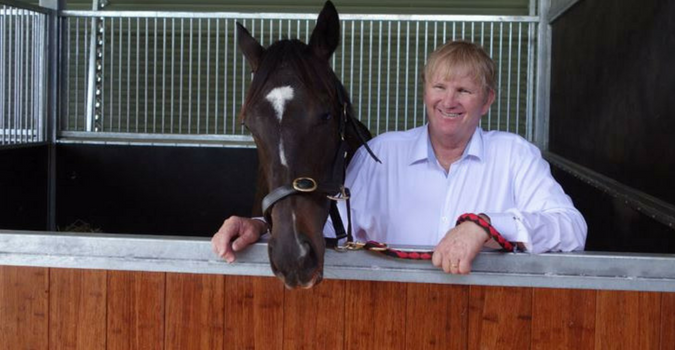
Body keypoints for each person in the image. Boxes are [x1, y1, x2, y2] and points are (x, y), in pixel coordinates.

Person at [212, 40, 587, 274]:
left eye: (464, 90)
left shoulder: (515, 155)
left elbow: (572, 230)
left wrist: (485, 227)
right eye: (439, 87)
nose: (449, 101)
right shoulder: (383, 155)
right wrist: (260, 226)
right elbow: (326, 229)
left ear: (487, 100)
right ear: (426, 93)